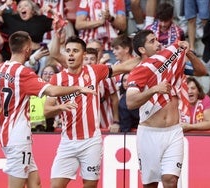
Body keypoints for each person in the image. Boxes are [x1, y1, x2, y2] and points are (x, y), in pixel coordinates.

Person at [0, 31, 96, 188]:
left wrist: (31, 60)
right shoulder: (23, 73)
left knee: (35, 183)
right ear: (27, 48)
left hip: (4, 132)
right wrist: (78, 88)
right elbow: (52, 91)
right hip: (17, 137)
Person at [44, 33, 139, 188]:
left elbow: (125, 66)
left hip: (91, 142)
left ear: (84, 54)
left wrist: (150, 56)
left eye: (75, 51)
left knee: (90, 186)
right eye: (68, 51)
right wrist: (60, 107)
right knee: (55, 186)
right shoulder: (57, 79)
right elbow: (46, 111)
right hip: (67, 142)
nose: (71, 54)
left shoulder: (94, 71)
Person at [126, 29, 188, 188]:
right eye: (152, 41)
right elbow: (131, 102)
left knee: (171, 180)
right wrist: (154, 89)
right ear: (142, 50)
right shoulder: (138, 71)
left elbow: (202, 71)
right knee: (150, 184)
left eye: (157, 40)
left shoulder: (171, 64)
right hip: (149, 134)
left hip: (174, 131)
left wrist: (186, 50)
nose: (158, 43)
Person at [86, 39, 120, 132]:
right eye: (86, 59)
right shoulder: (77, 77)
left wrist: (116, 121)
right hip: (85, 123)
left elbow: (115, 98)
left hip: (105, 122)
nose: (89, 62)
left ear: (97, 60)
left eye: (92, 59)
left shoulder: (106, 74)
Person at [30, 64, 61, 132]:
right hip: (31, 128)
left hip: (50, 127)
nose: (47, 75)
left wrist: (56, 122)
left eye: (51, 73)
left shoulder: (59, 91)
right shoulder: (34, 91)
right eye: (45, 73)